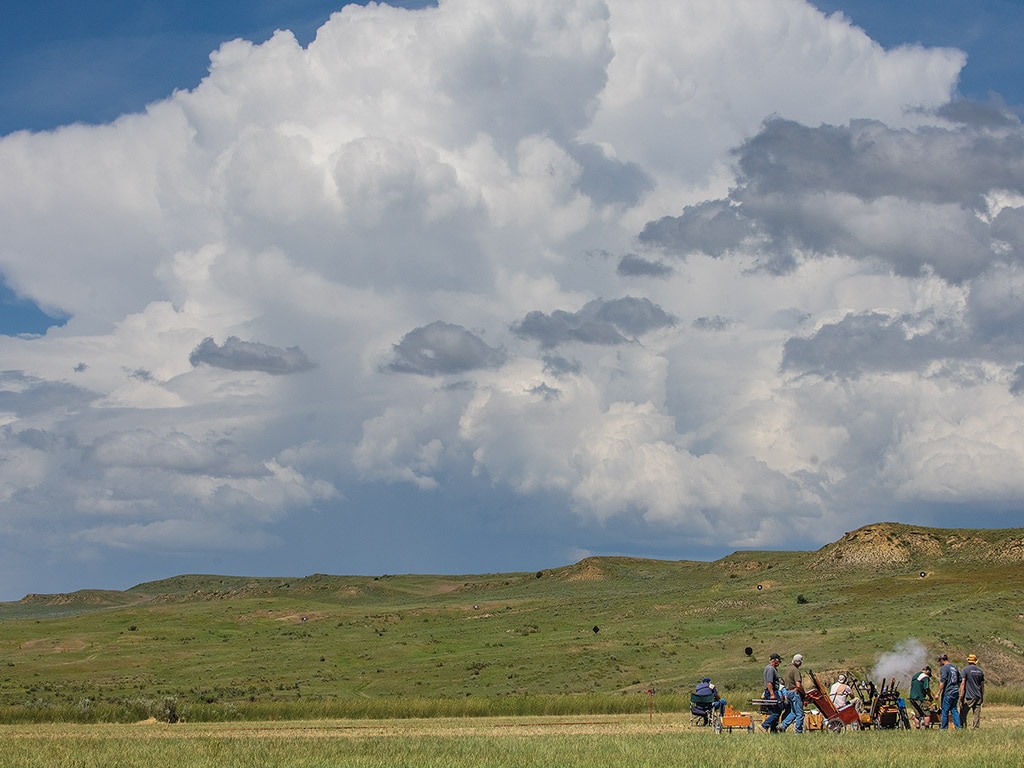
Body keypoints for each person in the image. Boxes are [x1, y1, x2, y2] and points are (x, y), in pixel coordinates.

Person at [779, 653, 805, 733]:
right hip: (794, 693)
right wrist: (803, 693)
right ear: (799, 662)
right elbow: (798, 685)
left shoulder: (789, 669)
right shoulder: (795, 670)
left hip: (788, 692)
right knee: (800, 714)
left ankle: (782, 725)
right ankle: (798, 732)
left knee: (793, 712)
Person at [959, 653, 985, 729]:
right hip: (978, 695)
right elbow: (982, 685)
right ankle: (976, 728)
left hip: (969, 696)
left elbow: (963, 683)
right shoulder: (980, 671)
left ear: (968, 661)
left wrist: (961, 695)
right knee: (977, 713)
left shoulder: (965, 670)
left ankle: (963, 726)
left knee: (963, 712)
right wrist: (982, 696)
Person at [936, 653, 961, 729]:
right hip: (955, 691)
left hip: (948, 692)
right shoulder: (954, 667)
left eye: (940, 661)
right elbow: (960, 680)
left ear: (942, 660)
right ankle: (958, 727)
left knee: (945, 711)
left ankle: (943, 728)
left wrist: (938, 693)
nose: (940, 663)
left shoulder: (945, 668)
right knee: (954, 710)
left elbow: (943, 681)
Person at [760, 653, 783, 732]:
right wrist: (772, 694)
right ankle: (765, 725)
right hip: (771, 692)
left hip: (771, 691)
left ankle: (773, 731)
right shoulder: (770, 669)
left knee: (774, 711)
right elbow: (769, 682)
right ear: (775, 660)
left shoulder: (773, 669)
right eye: (779, 661)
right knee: (776, 712)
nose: (779, 663)